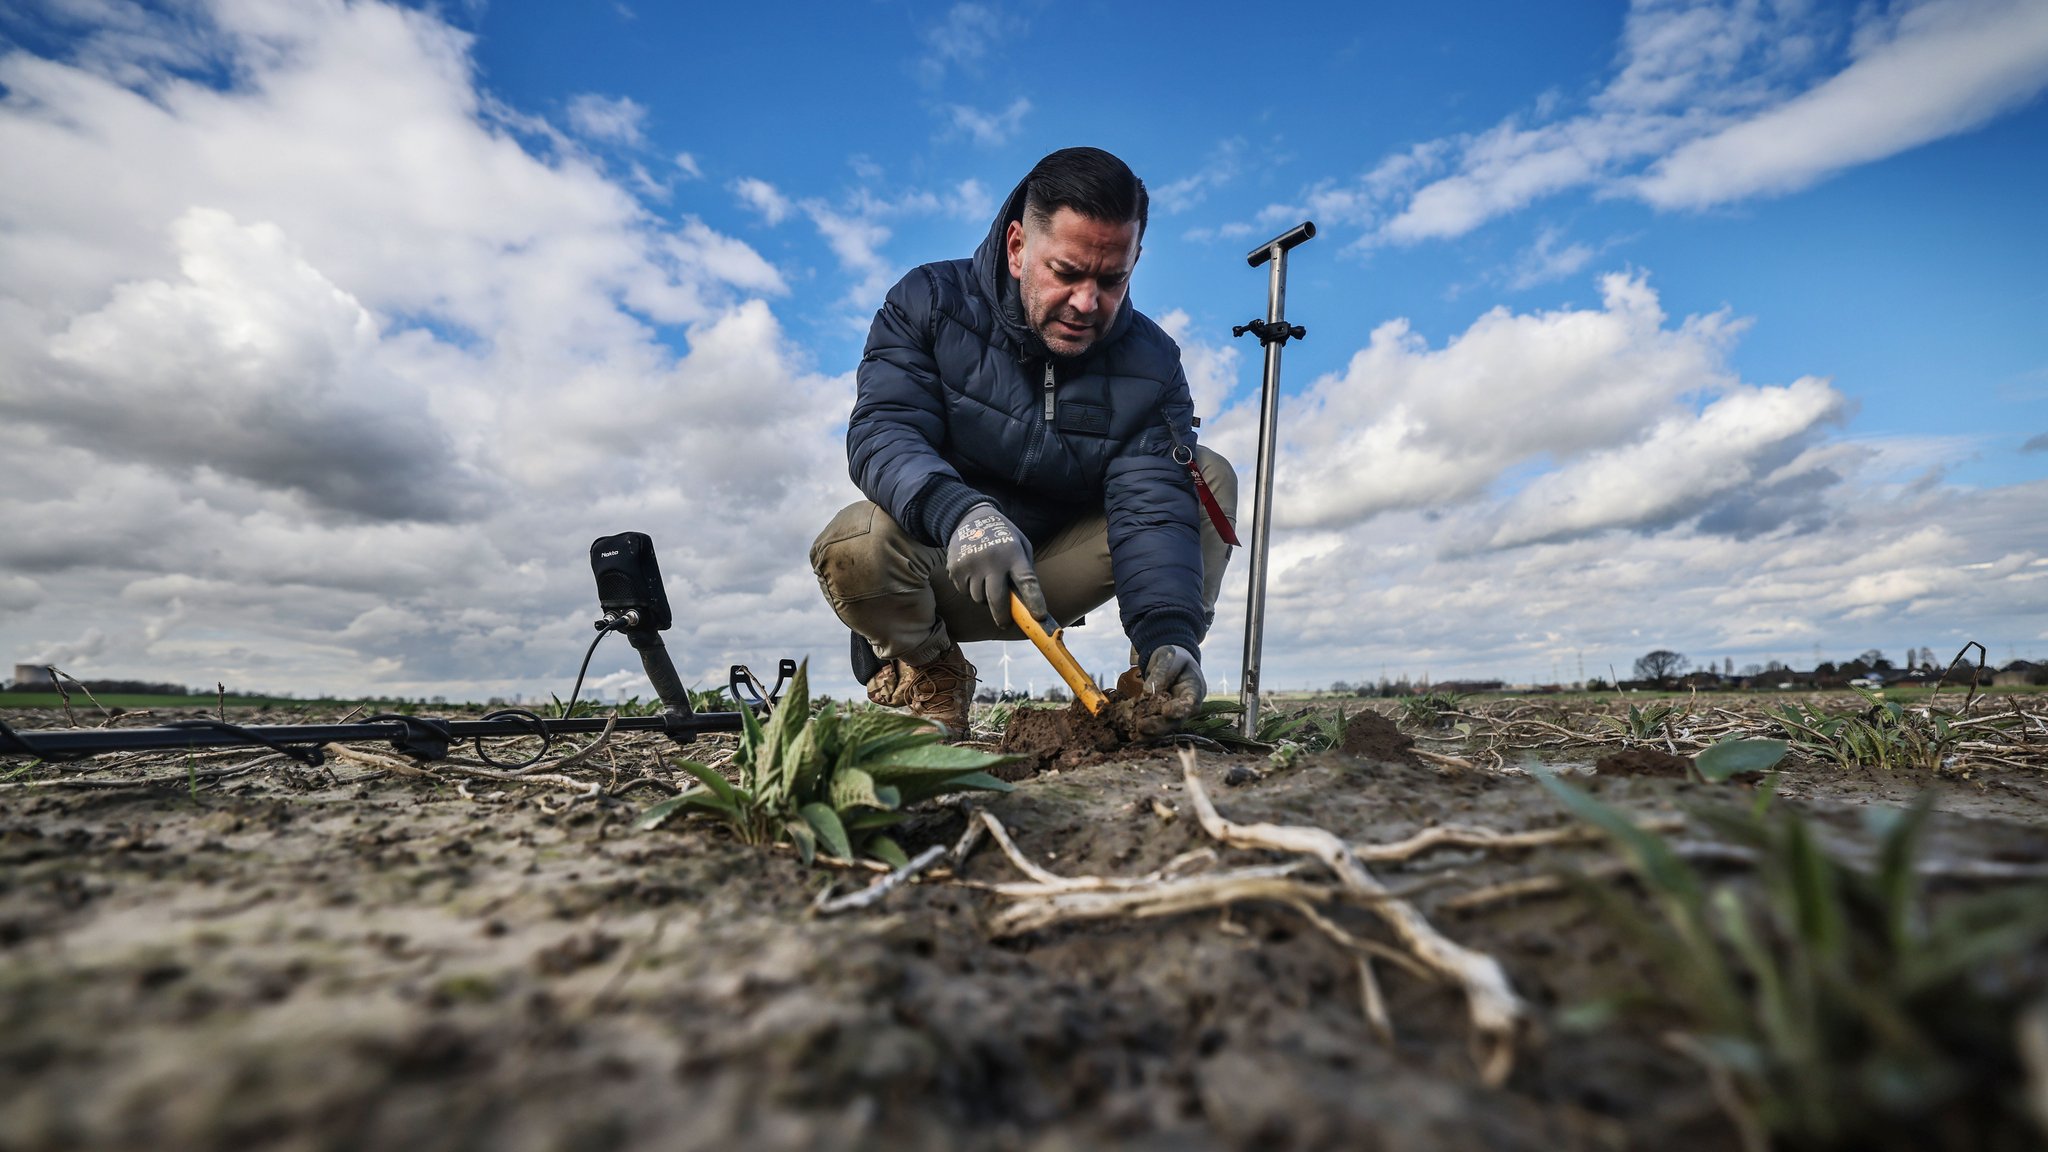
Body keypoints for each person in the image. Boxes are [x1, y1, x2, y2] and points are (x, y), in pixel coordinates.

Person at [810, 146, 1237, 735]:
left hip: (1054, 572)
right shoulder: (929, 302)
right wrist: (963, 517)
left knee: (1205, 477)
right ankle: (932, 673)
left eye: (1112, 280)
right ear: (1017, 247)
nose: (1088, 303)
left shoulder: (1153, 362)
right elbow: (884, 430)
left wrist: (1171, 630)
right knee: (852, 541)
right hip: (947, 570)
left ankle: (1156, 686)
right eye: (1066, 273)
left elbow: (1151, 505)